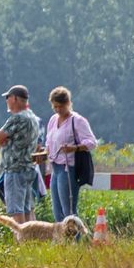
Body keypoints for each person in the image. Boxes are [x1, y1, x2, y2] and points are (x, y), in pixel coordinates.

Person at [43, 86, 99, 227]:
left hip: (68, 168)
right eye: (55, 106)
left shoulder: (78, 121)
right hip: (55, 168)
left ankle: (75, 241)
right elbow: (49, 142)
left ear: (68, 103)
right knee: (57, 210)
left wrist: (74, 148)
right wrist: (44, 152)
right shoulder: (52, 120)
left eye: (60, 106)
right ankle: (63, 241)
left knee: (68, 210)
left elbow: (92, 142)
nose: (57, 110)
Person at [0, 84, 41, 224]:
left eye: (8, 97)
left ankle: (20, 241)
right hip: (28, 167)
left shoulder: (17, 118)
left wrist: (4, 140)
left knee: (16, 210)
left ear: (15, 99)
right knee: (28, 208)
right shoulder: (33, 118)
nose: (6, 101)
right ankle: (32, 241)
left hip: (14, 169)